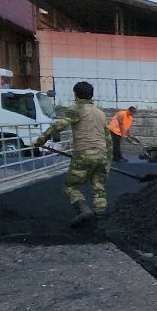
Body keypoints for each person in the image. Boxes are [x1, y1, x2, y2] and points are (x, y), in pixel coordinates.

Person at [33, 80, 110, 225]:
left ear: (76, 95)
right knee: (99, 185)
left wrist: (41, 140)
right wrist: (108, 160)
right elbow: (108, 138)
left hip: (84, 154)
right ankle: (100, 218)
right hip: (102, 154)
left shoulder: (76, 109)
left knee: (71, 186)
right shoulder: (101, 113)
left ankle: (83, 210)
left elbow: (59, 125)